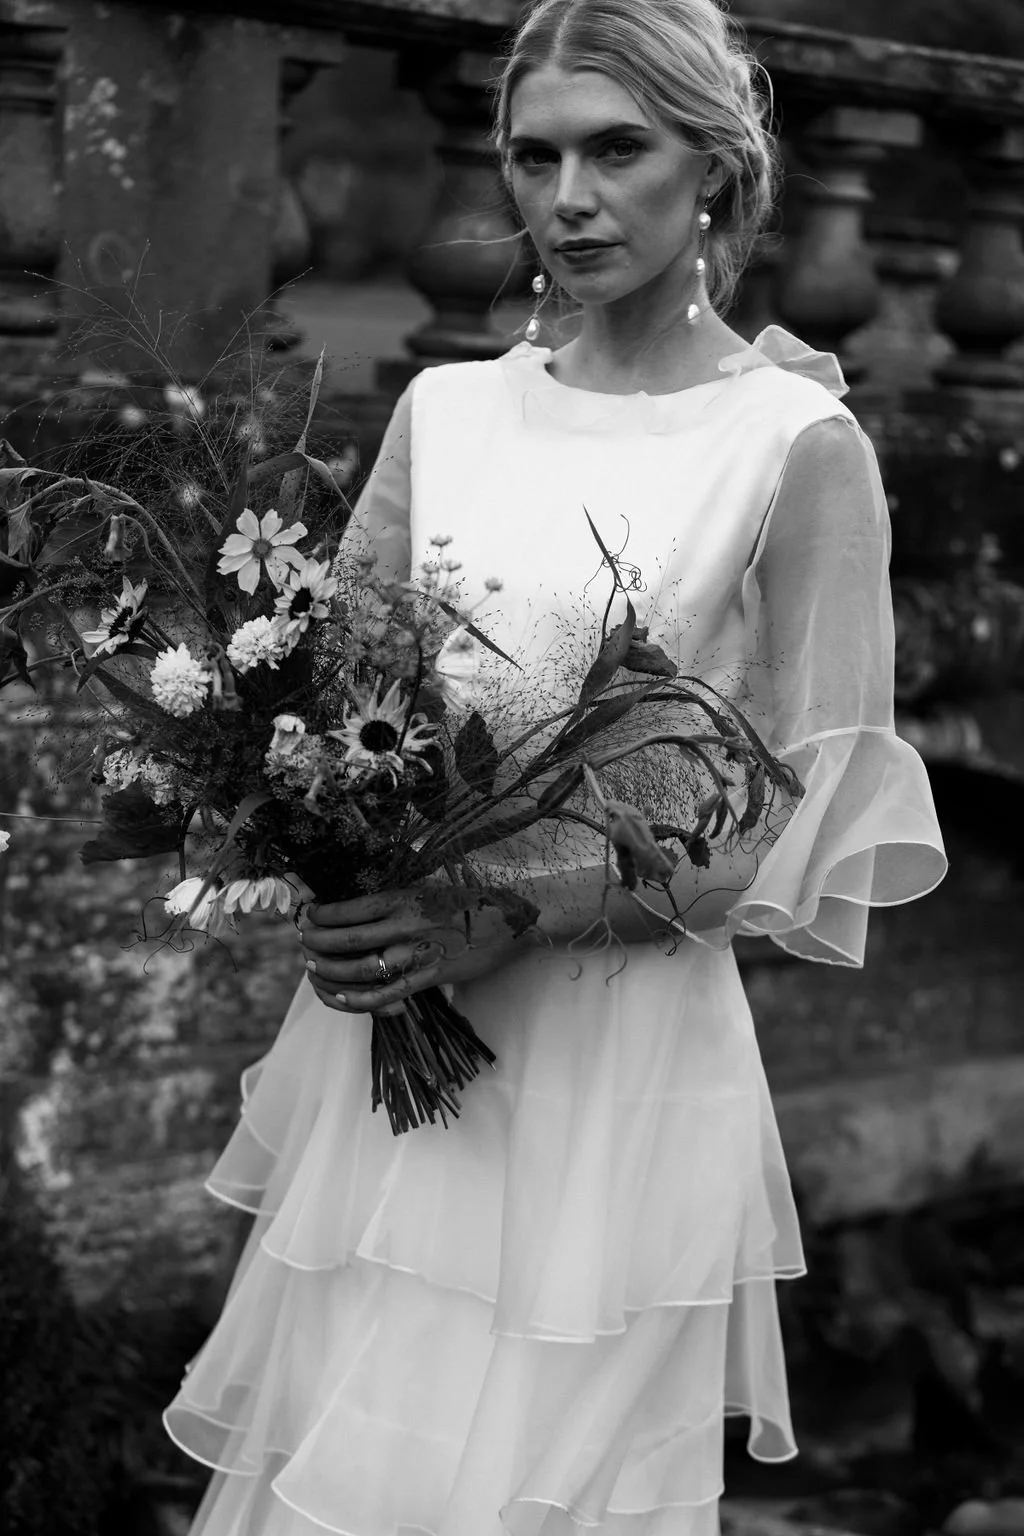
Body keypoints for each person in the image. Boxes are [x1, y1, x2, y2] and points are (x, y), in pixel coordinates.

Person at [164, 2, 947, 1532]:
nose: (569, 196)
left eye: (617, 150)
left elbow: (800, 810)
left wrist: (522, 903)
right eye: (535, 154)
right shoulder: (446, 408)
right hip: (396, 1053)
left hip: (616, 1066)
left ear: (715, 169)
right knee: (357, 1473)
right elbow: (320, 702)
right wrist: (309, 847)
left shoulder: (796, 447)